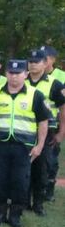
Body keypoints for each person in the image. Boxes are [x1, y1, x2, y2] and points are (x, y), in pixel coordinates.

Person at [0, 60, 50, 227]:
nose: (14, 76)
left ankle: (15, 216)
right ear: (6, 74)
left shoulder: (35, 95)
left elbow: (43, 122)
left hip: (23, 147)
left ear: (25, 74)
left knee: (20, 182)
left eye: (18, 73)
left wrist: (40, 145)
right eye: (11, 73)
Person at [25, 49, 65, 216]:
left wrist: (61, 133)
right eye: (31, 62)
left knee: (42, 169)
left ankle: (39, 204)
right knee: (24, 169)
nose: (33, 65)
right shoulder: (22, 80)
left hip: (47, 132)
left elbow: (63, 109)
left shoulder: (55, 84)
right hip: (25, 131)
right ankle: (24, 201)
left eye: (37, 62)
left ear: (45, 64)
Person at [39, 45, 64, 202]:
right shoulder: (30, 76)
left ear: (52, 60)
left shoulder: (61, 77)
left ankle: (49, 190)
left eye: (45, 58)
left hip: (53, 127)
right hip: (35, 126)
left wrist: (62, 132)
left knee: (51, 161)